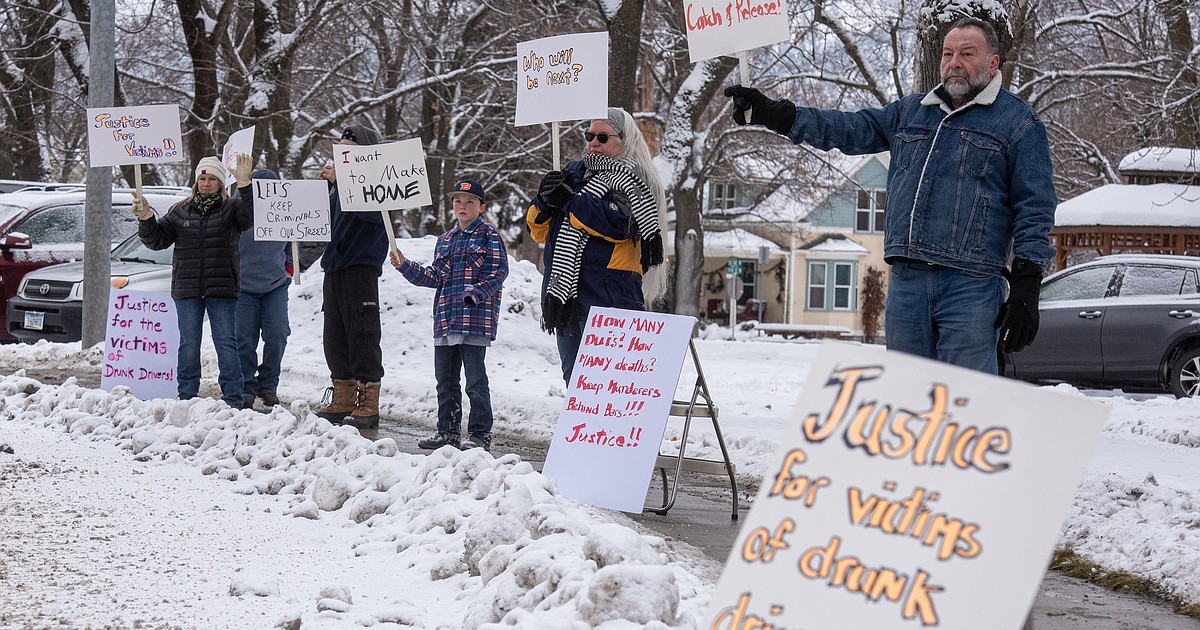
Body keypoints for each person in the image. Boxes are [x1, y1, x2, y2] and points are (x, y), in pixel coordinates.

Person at [724, 16, 1056, 374]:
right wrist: (774, 114)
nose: (954, 63)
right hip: (907, 285)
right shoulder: (912, 112)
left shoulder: (1019, 124)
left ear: (993, 63)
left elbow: (1034, 209)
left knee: (966, 405)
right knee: (906, 400)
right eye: (947, 53)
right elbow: (849, 129)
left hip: (971, 288)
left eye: (967, 53)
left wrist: (1027, 282)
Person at [526, 107, 668, 383]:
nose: (593, 142)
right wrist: (544, 200)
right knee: (575, 384)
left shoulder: (638, 180)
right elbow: (540, 231)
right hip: (567, 298)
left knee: (609, 387)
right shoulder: (572, 173)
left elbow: (618, 224)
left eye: (602, 137)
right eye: (589, 134)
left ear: (625, 139)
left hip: (610, 299)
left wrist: (569, 200)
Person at [389, 179, 509, 451]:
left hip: (475, 321)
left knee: (475, 381)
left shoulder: (489, 235)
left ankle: (480, 435)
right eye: (458, 201)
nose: (462, 206)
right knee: (445, 381)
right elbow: (434, 277)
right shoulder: (445, 240)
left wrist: (475, 293)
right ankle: (447, 433)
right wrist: (405, 265)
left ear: (482, 206)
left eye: (469, 202)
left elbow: (499, 272)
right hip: (445, 320)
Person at [132, 153, 254, 408]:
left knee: (226, 342)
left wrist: (245, 186)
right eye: (202, 178)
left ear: (220, 183)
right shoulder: (179, 211)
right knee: (188, 344)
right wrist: (145, 217)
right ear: (196, 181)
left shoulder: (231, 209)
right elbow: (157, 240)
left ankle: (233, 398)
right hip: (187, 288)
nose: (206, 183)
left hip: (221, 286)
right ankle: (186, 395)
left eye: (212, 179)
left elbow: (248, 217)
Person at [313, 125, 389, 429]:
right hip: (334, 267)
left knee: (363, 333)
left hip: (361, 266)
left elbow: (371, 215)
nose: (343, 154)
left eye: (350, 149)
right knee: (334, 334)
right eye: (340, 147)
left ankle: (368, 397)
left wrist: (343, 182)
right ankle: (343, 393)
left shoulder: (379, 184)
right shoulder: (340, 187)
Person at [237, 168, 293, 410]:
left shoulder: (286, 210)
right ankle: (246, 386)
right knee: (244, 338)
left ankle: (268, 385)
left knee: (278, 334)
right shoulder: (238, 210)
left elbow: (294, 241)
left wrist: (289, 267)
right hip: (242, 286)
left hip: (276, 285)